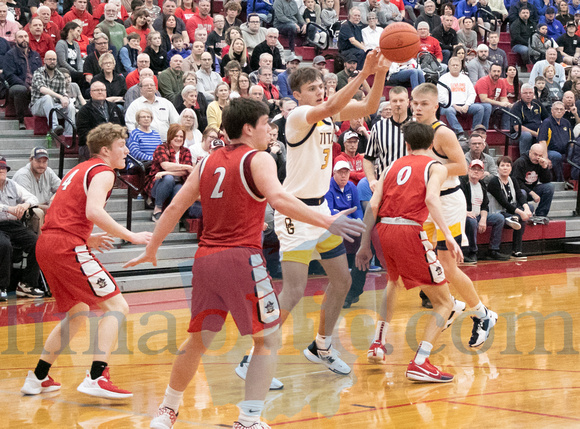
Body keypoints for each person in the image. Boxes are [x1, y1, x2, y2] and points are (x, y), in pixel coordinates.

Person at [125, 98, 365, 429]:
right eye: (267, 124)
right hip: (241, 259)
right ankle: (249, 420)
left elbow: (175, 206)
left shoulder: (207, 161)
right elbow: (280, 199)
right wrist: (327, 222)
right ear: (249, 128)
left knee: (198, 339)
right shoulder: (259, 159)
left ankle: (167, 410)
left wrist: (153, 246)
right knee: (267, 340)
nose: (271, 130)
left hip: (206, 259)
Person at [232, 50, 388, 388]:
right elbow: (331, 107)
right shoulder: (299, 116)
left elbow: (369, 108)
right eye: (313, 87)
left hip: (320, 210)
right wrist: (362, 73)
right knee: (293, 291)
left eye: (322, 85)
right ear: (298, 95)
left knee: (342, 281)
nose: (320, 91)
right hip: (295, 212)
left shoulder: (326, 115)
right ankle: (251, 359)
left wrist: (381, 73)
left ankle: (321, 346)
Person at [20, 124, 152, 398]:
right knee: (117, 306)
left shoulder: (79, 169)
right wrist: (131, 235)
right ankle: (96, 376)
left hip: (49, 243)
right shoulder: (104, 171)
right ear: (106, 150)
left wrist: (83, 237)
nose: (126, 150)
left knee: (78, 314)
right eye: (121, 145)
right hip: (65, 245)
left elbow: (61, 207)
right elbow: (93, 210)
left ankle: (38, 377)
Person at [356, 121, 460, 381]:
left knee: (393, 281)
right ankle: (421, 362)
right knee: (445, 302)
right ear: (432, 146)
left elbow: (374, 204)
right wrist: (448, 235)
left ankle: (377, 343)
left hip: (384, 230)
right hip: (408, 230)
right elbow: (431, 199)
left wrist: (364, 243)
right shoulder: (435, 166)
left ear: (406, 144)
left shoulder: (392, 165)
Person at [412, 83, 497, 348]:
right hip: (426, 203)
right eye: (415, 103)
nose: (417, 108)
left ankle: (483, 315)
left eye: (423, 104)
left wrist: (431, 168)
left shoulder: (443, 133)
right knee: (419, 264)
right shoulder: (414, 132)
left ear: (435, 106)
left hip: (448, 203)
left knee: (447, 265)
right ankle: (451, 304)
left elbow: (461, 167)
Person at [0, 156, 43, 301]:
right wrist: (9, 208)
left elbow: (33, 199)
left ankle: (27, 284)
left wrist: (25, 205)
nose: (2, 171)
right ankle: (2, 287)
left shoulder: (12, 184)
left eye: (4, 168)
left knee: (36, 242)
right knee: (4, 245)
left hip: (14, 225)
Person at [460, 159, 509, 263]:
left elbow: (484, 206)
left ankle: (493, 250)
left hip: (478, 215)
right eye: (473, 169)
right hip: (463, 215)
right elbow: (455, 201)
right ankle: (471, 252)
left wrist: (483, 219)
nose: (476, 171)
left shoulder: (481, 185)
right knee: (472, 221)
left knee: (499, 218)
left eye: (479, 170)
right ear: (468, 170)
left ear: (482, 173)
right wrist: (464, 212)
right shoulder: (462, 183)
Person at [487, 156, 533, 260]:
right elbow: (503, 202)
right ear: (498, 168)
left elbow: (520, 195)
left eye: (508, 165)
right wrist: (521, 213)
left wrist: (526, 208)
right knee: (520, 218)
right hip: (498, 211)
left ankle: (514, 219)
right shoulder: (494, 182)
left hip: (512, 211)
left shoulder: (513, 180)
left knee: (530, 207)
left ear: (511, 168)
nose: (505, 168)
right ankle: (516, 249)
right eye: (502, 165)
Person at [145, 123, 193, 223]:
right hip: (159, 184)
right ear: (170, 136)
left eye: (181, 136)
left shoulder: (186, 151)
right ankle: (157, 210)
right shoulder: (161, 148)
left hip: (177, 182)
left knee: (180, 188)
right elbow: (165, 165)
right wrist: (186, 166)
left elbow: (184, 172)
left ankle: (172, 217)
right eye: (176, 136)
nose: (178, 139)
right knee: (168, 178)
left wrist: (164, 172)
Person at [439, 57, 490, 143]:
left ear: (460, 67)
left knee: (479, 108)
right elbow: (441, 97)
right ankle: (459, 132)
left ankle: (475, 132)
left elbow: (472, 93)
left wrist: (467, 105)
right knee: (449, 110)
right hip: (449, 105)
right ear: (448, 66)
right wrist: (454, 106)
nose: (455, 67)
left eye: (457, 65)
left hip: (465, 105)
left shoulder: (465, 78)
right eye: (453, 65)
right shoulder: (443, 79)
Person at [12, 147, 61, 234]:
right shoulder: (23, 175)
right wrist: (48, 207)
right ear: (30, 160)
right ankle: (39, 244)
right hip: (23, 211)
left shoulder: (48, 171)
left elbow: (62, 189)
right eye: (38, 161)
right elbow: (25, 203)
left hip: (43, 206)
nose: (41, 165)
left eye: (44, 162)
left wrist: (54, 198)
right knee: (37, 212)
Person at [30, 50, 77, 136]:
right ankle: (55, 127)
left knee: (70, 106)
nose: (52, 62)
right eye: (49, 59)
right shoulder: (38, 73)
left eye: (54, 59)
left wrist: (65, 99)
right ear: (44, 60)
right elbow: (42, 89)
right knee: (47, 98)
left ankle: (69, 134)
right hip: (38, 107)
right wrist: (60, 97)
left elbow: (64, 93)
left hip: (54, 106)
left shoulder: (60, 75)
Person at [77, 81, 126, 161]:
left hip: (114, 144)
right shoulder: (84, 111)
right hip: (93, 145)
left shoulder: (114, 107)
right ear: (91, 93)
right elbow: (83, 135)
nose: (100, 92)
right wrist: (102, 139)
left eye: (102, 90)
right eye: (97, 90)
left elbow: (123, 127)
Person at [4, 30, 42, 129]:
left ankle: (47, 122)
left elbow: (41, 72)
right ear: (15, 40)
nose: (24, 39)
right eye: (20, 37)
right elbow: (10, 75)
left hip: (35, 85)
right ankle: (21, 120)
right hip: (17, 85)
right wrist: (27, 87)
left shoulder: (36, 55)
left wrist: (38, 86)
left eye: (26, 36)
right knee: (20, 89)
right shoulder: (10, 55)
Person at [125, 77, 180, 142]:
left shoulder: (166, 103)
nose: (149, 87)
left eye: (151, 85)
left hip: (166, 143)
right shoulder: (135, 105)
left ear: (155, 88)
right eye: (146, 85)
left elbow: (176, 122)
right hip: (144, 144)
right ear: (141, 89)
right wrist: (136, 140)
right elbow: (130, 125)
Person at [512, 143, 555, 218]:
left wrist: (544, 168)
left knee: (549, 187)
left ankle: (541, 214)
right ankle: (521, 214)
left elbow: (546, 181)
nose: (537, 158)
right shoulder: (520, 162)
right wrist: (531, 193)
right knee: (523, 192)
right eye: (535, 154)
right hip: (519, 191)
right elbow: (516, 183)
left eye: (540, 155)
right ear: (530, 152)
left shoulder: (540, 162)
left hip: (532, 189)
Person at [511, 83, 550, 155]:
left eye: (530, 93)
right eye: (525, 93)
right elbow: (517, 127)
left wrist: (542, 132)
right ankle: (524, 157)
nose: (528, 95)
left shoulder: (537, 104)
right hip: (519, 135)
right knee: (526, 135)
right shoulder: (516, 107)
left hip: (538, 132)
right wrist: (536, 134)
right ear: (521, 94)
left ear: (533, 94)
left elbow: (547, 119)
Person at [538, 101, 572, 181]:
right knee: (556, 156)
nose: (559, 111)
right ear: (552, 111)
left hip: (565, 152)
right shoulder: (547, 122)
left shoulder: (566, 123)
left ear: (564, 111)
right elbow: (542, 141)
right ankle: (560, 181)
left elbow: (571, 142)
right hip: (550, 151)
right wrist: (545, 158)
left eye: (561, 109)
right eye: (556, 109)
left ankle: (573, 180)